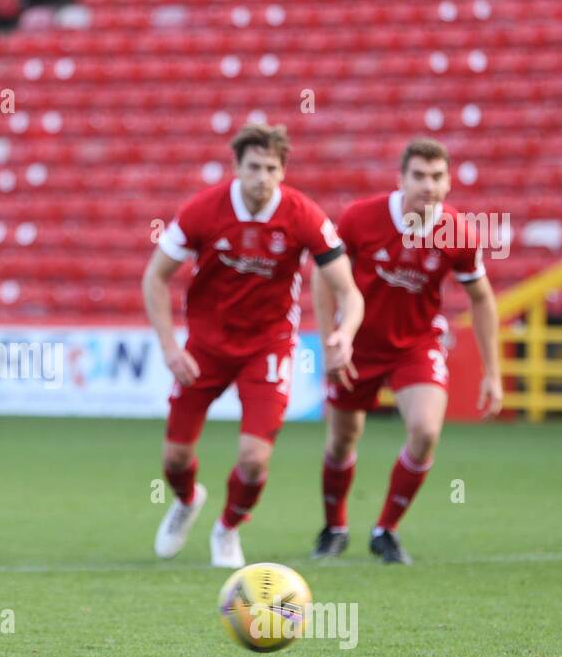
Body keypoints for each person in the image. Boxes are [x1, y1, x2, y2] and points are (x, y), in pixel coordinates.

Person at [142, 123, 364, 567]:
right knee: (175, 456)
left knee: (254, 458)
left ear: (283, 172)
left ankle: (227, 529)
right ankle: (187, 501)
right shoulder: (204, 210)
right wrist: (170, 347)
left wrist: (344, 332)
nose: (261, 177)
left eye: (270, 168)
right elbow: (155, 277)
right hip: (204, 345)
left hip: (269, 345)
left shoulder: (303, 215)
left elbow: (349, 291)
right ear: (236, 169)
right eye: (253, 167)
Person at [311, 138, 503, 564]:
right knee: (342, 439)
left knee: (426, 431)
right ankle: (335, 527)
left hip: (415, 345)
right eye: (418, 176)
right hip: (358, 343)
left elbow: (482, 299)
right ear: (400, 179)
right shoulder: (361, 218)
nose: (428, 186)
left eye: (437, 177)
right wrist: (330, 341)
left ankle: (385, 530)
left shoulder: (458, 232)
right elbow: (324, 278)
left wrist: (493, 370)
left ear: (449, 181)